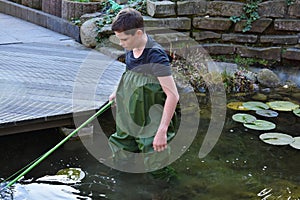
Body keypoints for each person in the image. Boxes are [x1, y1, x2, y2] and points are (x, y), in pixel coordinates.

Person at [108, 8, 179, 176]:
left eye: (124, 39)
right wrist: (115, 91)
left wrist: (162, 131)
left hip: (151, 114)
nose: (121, 43)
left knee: (155, 160)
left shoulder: (155, 55)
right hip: (130, 109)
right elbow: (128, 73)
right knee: (122, 150)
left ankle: (164, 190)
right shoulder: (130, 46)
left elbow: (173, 95)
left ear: (138, 33)